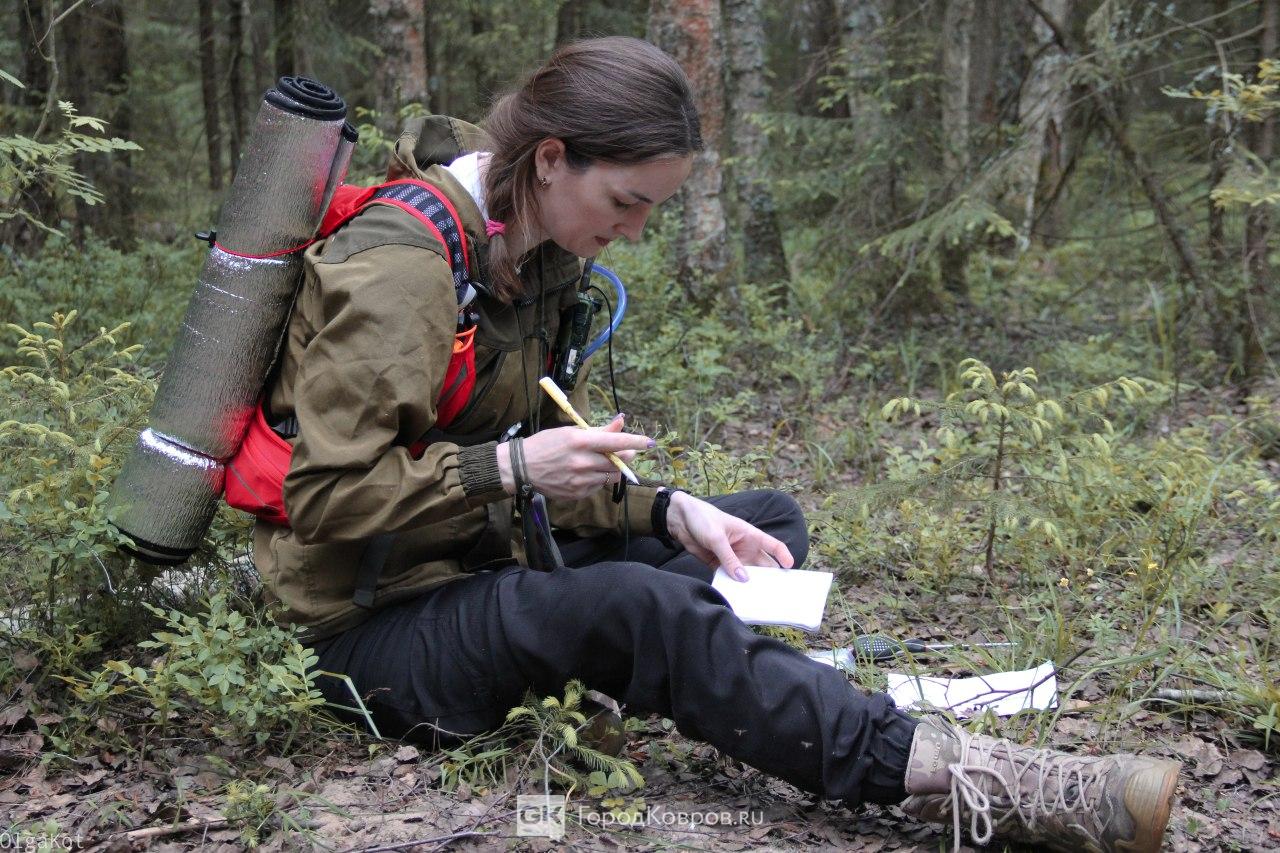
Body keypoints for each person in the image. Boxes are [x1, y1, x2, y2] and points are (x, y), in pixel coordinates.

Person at [253, 36, 1179, 852]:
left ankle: (704, 664)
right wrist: (514, 465)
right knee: (640, 606)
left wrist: (666, 510)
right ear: (551, 159)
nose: (635, 229)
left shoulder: (535, 249)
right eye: (627, 200)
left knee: (761, 525)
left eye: (652, 206)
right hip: (370, 628)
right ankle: (956, 775)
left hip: (481, 553)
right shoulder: (403, 268)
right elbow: (324, 497)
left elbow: (547, 459)